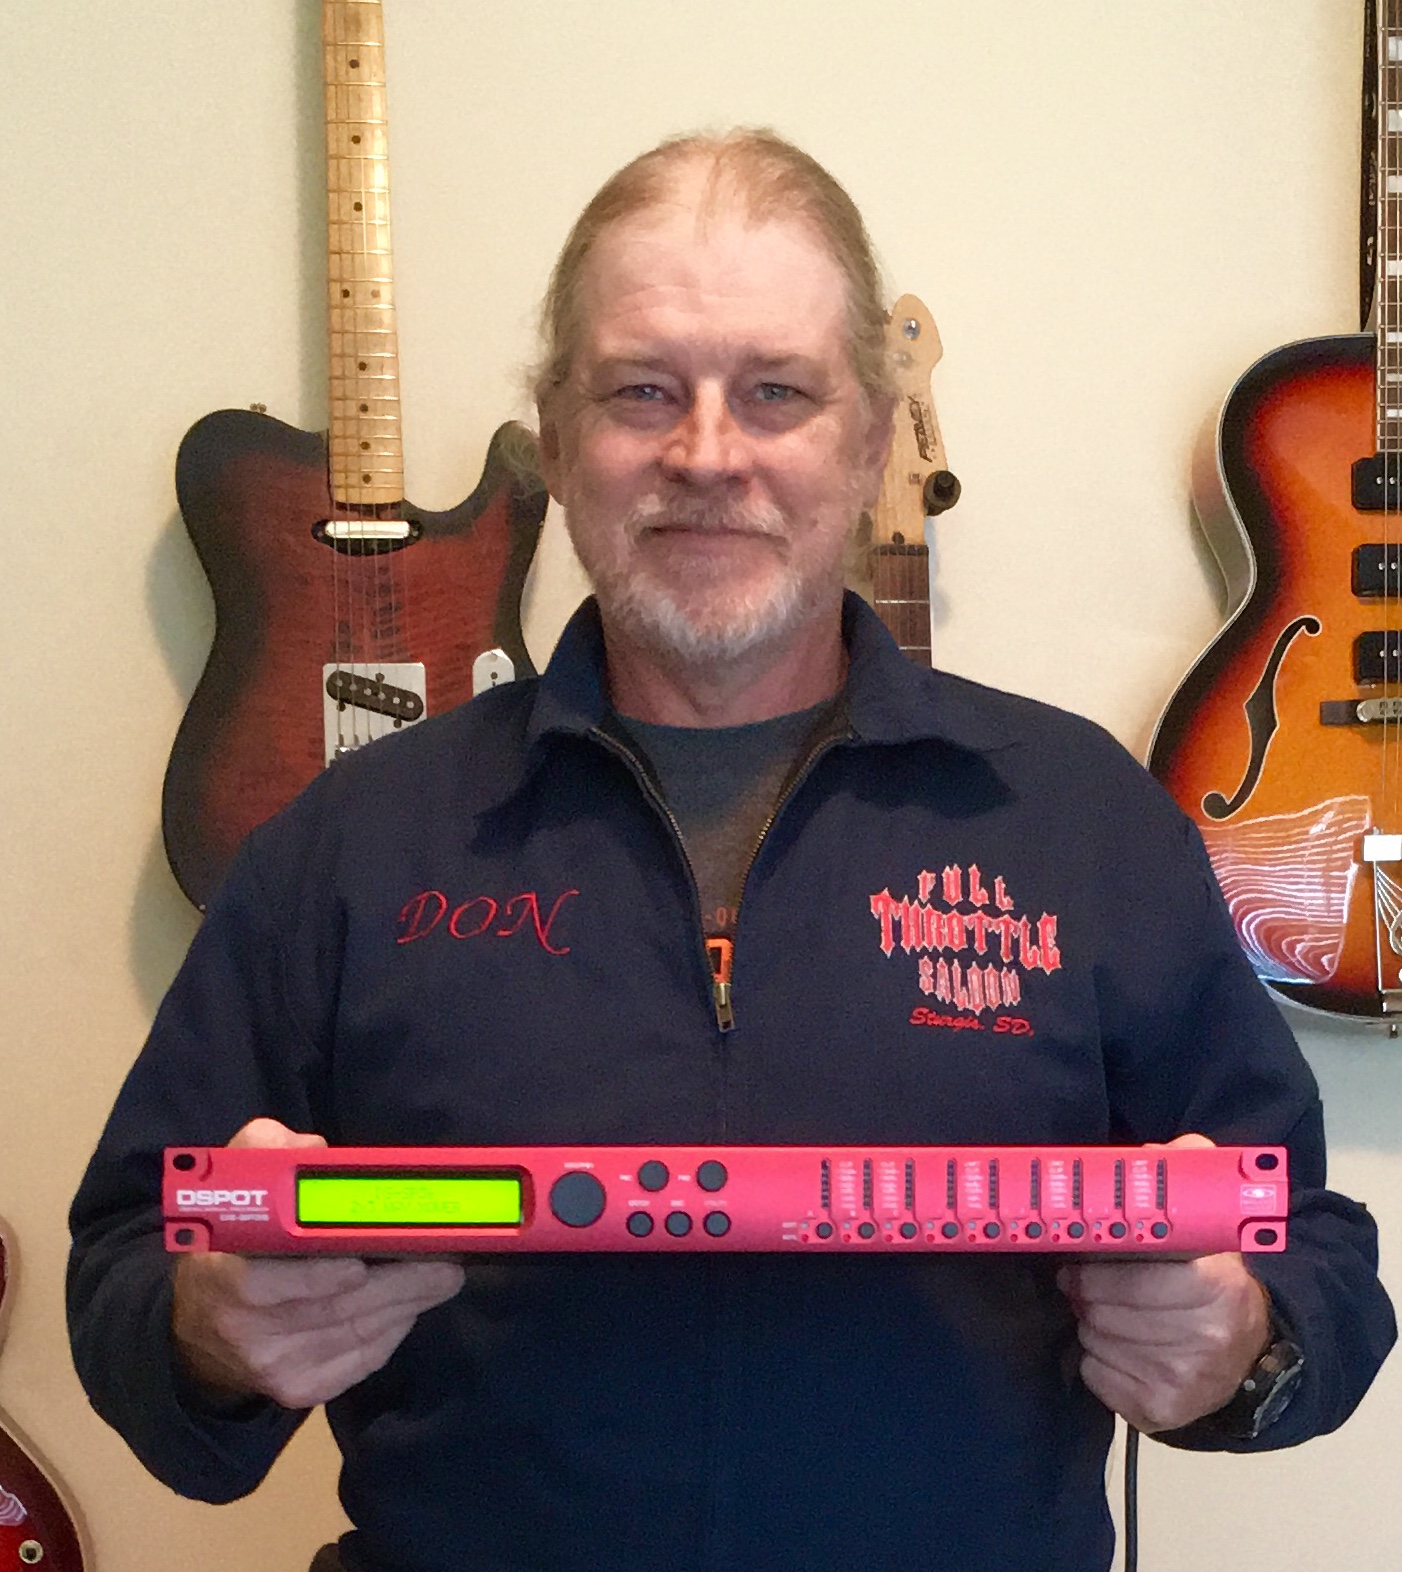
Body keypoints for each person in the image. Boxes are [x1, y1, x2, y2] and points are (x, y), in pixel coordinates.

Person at [69, 129, 1394, 1572]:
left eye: (776, 392)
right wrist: (206, 1333)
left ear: (869, 441)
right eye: (642, 390)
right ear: (556, 438)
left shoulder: (1078, 819)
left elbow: (1309, 1248)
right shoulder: (351, 842)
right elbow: (129, 1262)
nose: (707, 454)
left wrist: (1243, 1345)